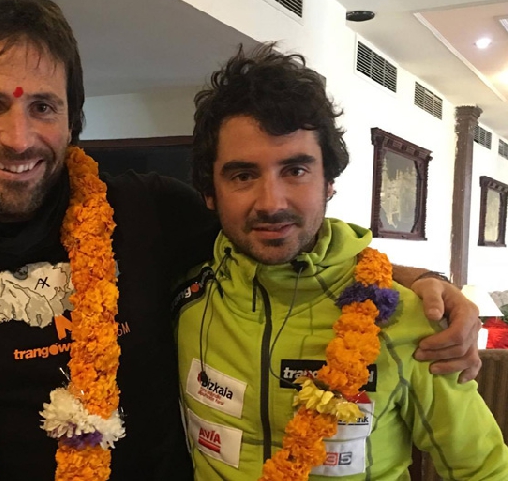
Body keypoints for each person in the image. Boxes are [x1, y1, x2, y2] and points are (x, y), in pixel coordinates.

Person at [0, 0, 481, 481]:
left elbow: (278, 237)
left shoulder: (150, 210)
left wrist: (421, 284)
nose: (20, 137)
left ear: (74, 119)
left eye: (44, 107)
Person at [174, 44, 508, 480]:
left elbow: (482, 470)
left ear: (329, 181)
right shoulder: (185, 295)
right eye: (243, 175)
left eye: (295, 171)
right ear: (209, 192)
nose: (271, 203)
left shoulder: (407, 317)